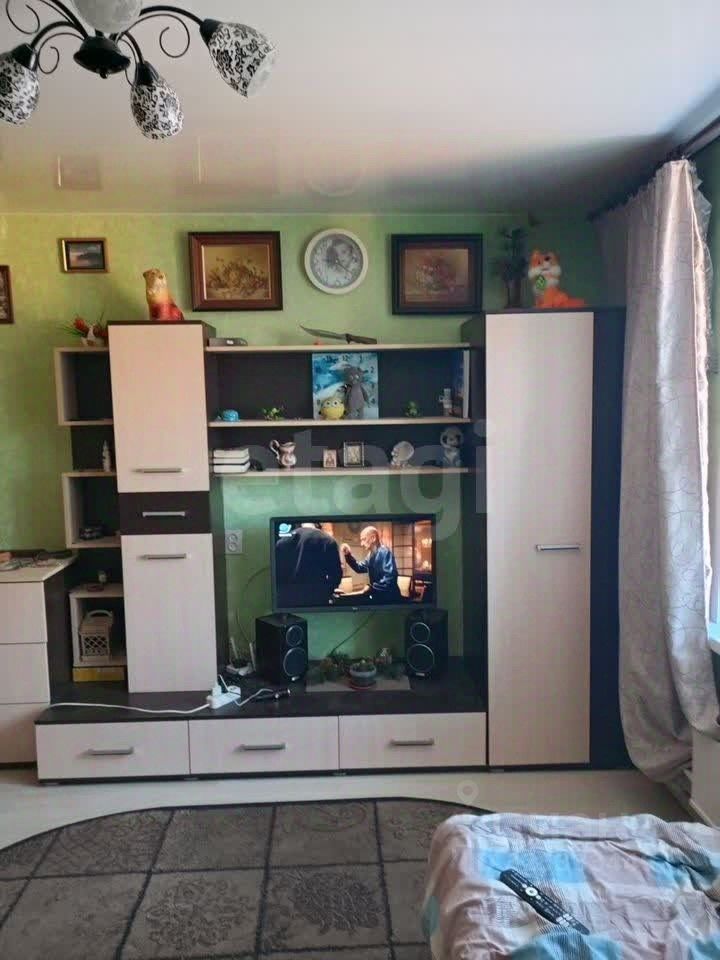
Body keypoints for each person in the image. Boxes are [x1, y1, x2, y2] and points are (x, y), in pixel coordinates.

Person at [275, 523, 342, 608]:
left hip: (286, 603)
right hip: (316, 601)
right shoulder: (328, 540)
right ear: (318, 526)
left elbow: (276, 574)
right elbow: (336, 575)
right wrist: (327, 592)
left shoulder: (282, 541)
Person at [341, 526, 401, 603]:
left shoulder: (384, 552)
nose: (361, 544)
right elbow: (359, 568)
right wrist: (348, 555)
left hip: (390, 599)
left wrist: (371, 588)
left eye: (363, 539)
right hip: (379, 597)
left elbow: (390, 578)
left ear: (373, 538)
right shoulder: (370, 555)